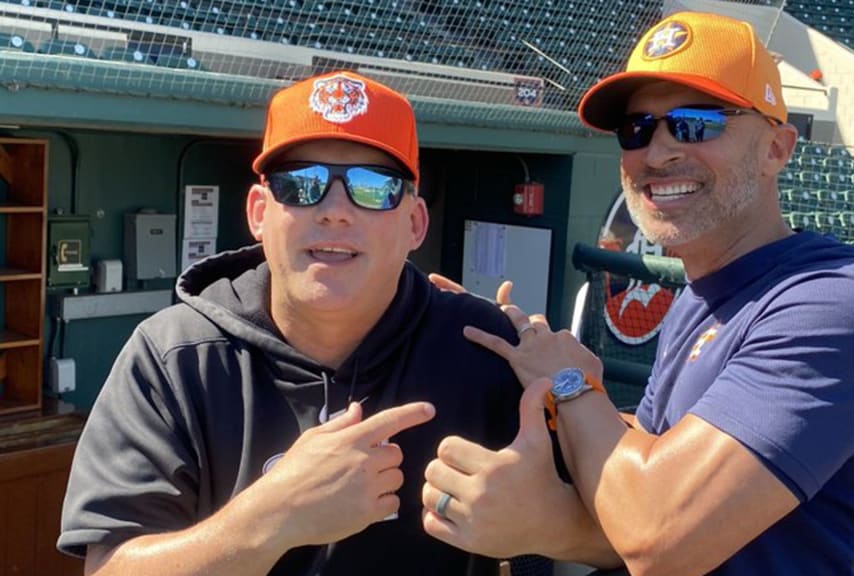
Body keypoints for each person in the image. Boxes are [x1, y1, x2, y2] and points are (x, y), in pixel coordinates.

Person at [420, 11, 854, 576]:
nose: (658, 152)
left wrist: (572, 388)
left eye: (695, 123)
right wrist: (549, 385)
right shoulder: (700, 294)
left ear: (777, 148)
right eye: (636, 129)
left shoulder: (843, 299)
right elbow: (653, 457)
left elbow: (656, 535)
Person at [58, 70, 531, 575]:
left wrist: (573, 399)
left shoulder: (487, 347)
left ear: (415, 223)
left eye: (372, 187)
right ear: (259, 213)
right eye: (301, 185)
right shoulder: (173, 357)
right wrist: (275, 515)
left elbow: (613, 539)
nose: (333, 211)